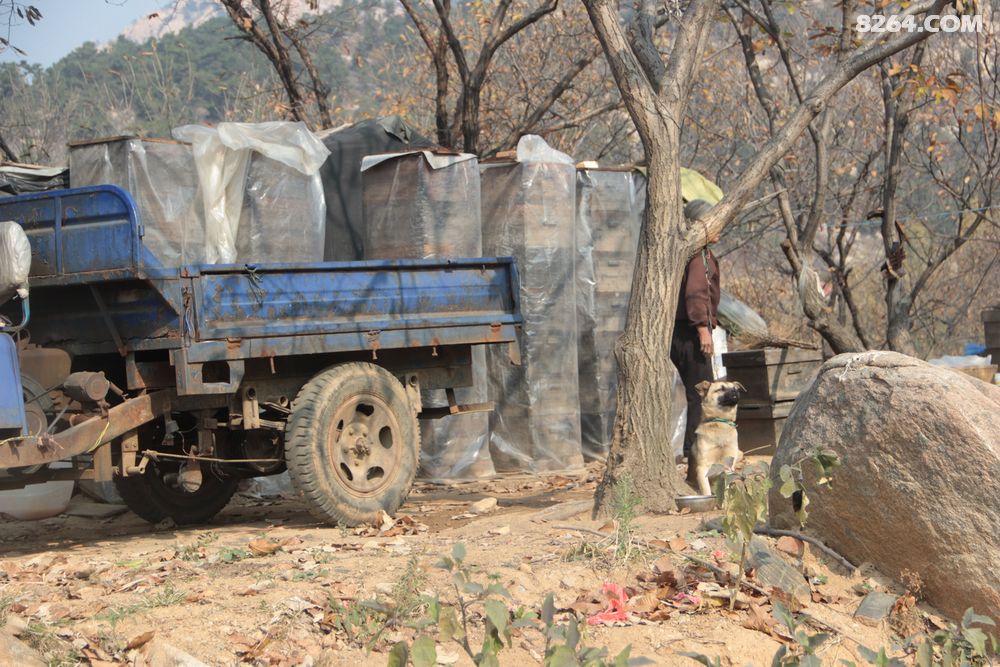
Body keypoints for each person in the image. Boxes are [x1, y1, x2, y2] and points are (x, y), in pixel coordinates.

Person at [671, 200, 721, 461]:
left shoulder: (684, 253)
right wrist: (703, 329)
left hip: (680, 331)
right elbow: (696, 293)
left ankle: (694, 450)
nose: (719, 227)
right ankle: (694, 453)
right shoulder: (698, 255)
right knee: (702, 393)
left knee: (696, 392)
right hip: (691, 333)